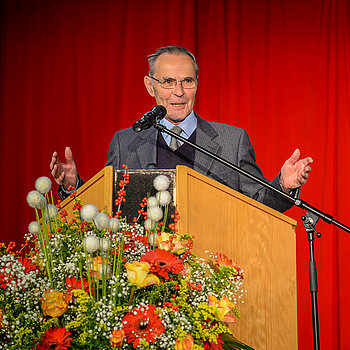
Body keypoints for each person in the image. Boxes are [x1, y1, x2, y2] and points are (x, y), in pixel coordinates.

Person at [50, 46, 313, 213]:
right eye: (168, 82)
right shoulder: (126, 142)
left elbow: (259, 204)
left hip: (210, 276)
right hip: (142, 279)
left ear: (197, 84)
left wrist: (283, 185)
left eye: (187, 81)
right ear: (149, 86)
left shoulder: (232, 141)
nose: (179, 92)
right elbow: (108, 207)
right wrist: (73, 187)